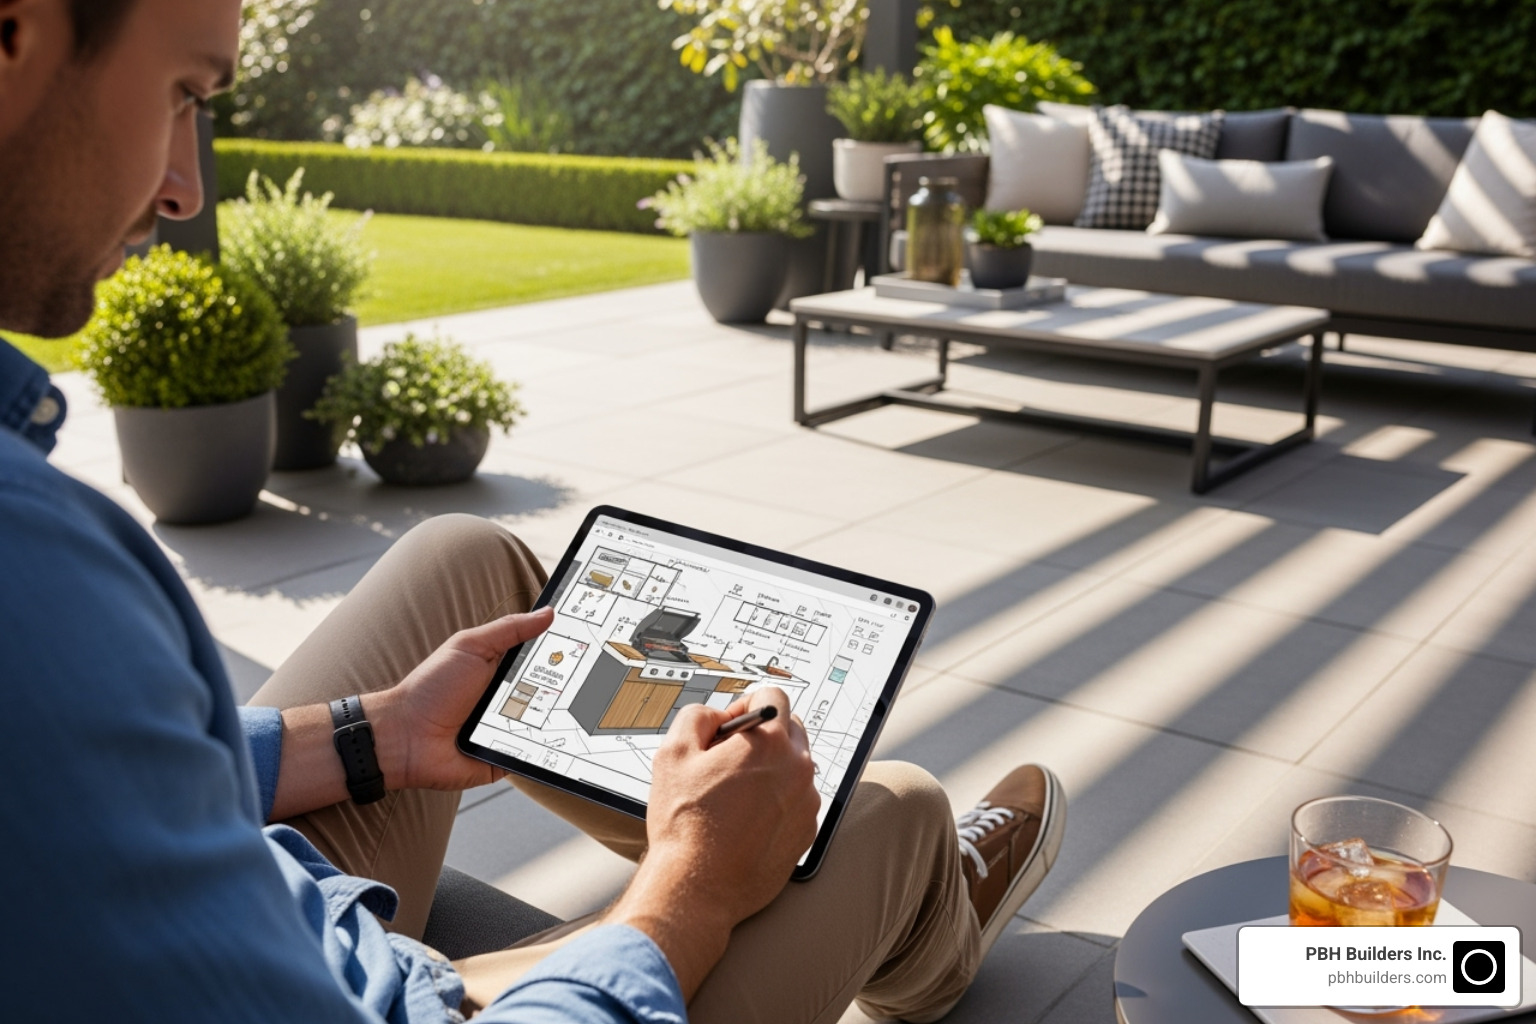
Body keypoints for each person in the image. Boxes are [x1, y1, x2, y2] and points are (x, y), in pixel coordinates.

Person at [0, 0, 1067, 1020]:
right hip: (376, 987)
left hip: (280, 894)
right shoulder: (39, 575)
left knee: (467, 557)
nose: (186, 188)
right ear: (16, 36)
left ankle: (762, 836)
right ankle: (920, 927)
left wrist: (377, 735)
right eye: (185, 92)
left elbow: (102, 787)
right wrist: (690, 882)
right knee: (894, 808)